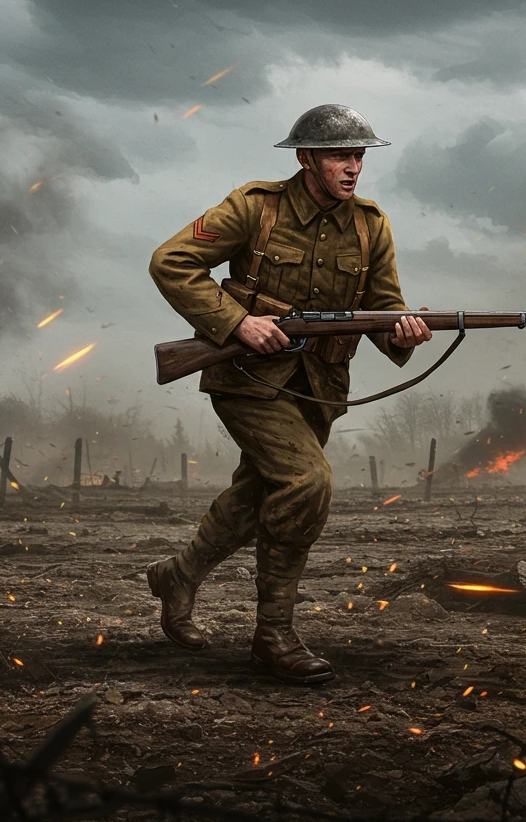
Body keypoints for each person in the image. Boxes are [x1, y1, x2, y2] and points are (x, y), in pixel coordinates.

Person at [146, 104, 432, 684]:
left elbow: (383, 305)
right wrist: (235, 324)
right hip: (248, 376)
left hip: (320, 385)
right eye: (339, 155)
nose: (353, 167)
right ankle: (274, 636)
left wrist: (404, 328)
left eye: (359, 155)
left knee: (260, 492)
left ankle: (179, 574)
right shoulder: (255, 209)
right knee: (307, 482)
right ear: (306, 159)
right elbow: (171, 262)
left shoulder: (370, 224)